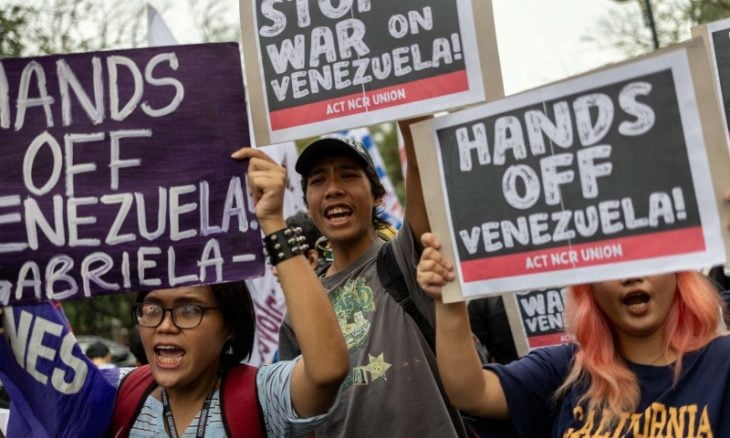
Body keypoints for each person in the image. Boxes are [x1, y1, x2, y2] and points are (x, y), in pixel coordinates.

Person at [0, 148, 349, 437]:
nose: (165, 326)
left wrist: (272, 221)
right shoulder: (113, 395)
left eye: (188, 310)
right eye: (151, 309)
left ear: (229, 324)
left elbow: (327, 370)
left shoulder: (261, 397)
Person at [416, 230, 730, 437]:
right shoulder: (565, 371)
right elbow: (471, 393)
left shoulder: (721, 363)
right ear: (589, 288)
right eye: (611, 265)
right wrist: (448, 299)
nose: (632, 277)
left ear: (678, 272)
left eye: (647, 258)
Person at [275, 119, 468, 437]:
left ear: (377, 195)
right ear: (308, 205)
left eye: (348, 175)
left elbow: (422, 160)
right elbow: (300, 417)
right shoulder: (300, 310)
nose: (333, 189)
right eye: (318, 180)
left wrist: (409, 107)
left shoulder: (406, 258)